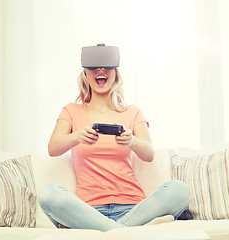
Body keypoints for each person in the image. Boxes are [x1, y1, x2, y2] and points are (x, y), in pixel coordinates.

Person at [38, 44, 190, 232]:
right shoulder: (71, 111)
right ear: (85, 73)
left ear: (116, 74)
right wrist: (77, 136)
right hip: (88, 211)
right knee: (48, 194)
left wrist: (132, 141)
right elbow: (53, 148)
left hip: (132, 209)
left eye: (107, 66)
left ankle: (108, 231)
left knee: (179, 189)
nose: (100, 70)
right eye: (94, 67)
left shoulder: (133, 112)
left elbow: (149, 154)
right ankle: (123, 232)